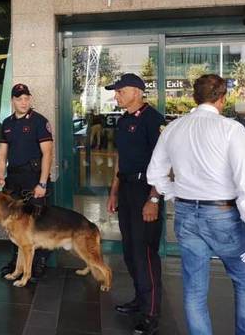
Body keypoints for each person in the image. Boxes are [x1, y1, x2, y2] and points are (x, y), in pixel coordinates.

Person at [147, 74, 245, 335]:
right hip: (224, 215)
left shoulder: (173, 128)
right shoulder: (231, 129)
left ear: (194, 97)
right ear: (222, 99)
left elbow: (154, 175)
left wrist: (173, 193)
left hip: (186, 214)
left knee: (194, 289)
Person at [105, 73, 165, 335]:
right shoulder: (125, 121)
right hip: (127, 189)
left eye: (120, 91)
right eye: (116, 91)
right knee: (130, 250)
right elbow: (121, 158)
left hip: (145, 191)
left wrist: (154, 197)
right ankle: (140, 299)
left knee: (146, 254)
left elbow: (166, 163)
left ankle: (151, 311)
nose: (116, 95)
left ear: (137, 92)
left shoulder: (154, 120)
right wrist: (114, 192)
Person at [0, 83, 53, 280]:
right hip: (14, 180)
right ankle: (16, 261)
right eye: (19, 99)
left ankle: (40, 261)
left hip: (34, 178)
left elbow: (48, 153)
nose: (24, 102)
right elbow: (2, 154)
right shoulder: (7, 123)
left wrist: (42, 183)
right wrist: (0, 177)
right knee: (15, 222)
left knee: (40, 222)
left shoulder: (39, 121)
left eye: (26, 98)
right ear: (13, 101)